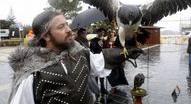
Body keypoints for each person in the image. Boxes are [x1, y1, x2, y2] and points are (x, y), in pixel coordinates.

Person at [8, 10, 143, 104]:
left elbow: (99, 61)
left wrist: (123, 53)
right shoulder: (32, 74)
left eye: (67, 24)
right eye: (61, 27)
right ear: (46, 36)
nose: (68, 29)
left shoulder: (79, 53)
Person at [104, 29, 129, 94]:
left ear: (114, 33)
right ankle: (113, 87)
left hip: (117, 60)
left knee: (118, 73)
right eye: (109, 32)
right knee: (110, 74)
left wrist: (123, 61)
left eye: (112, 32)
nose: (110, 33)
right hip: (109, 61)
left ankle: (116, 85)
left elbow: (122, 51)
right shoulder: (106, 41)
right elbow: (103, 51)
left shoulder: (118, 41)